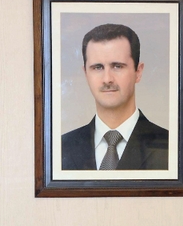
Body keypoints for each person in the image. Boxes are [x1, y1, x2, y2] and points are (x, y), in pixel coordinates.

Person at [62, 23, 168, 170]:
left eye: (117, 66)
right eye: (97, 67)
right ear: (86, 73)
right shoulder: (62, 148)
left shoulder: (170, 146)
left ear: (138, 72)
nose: (107, 79)